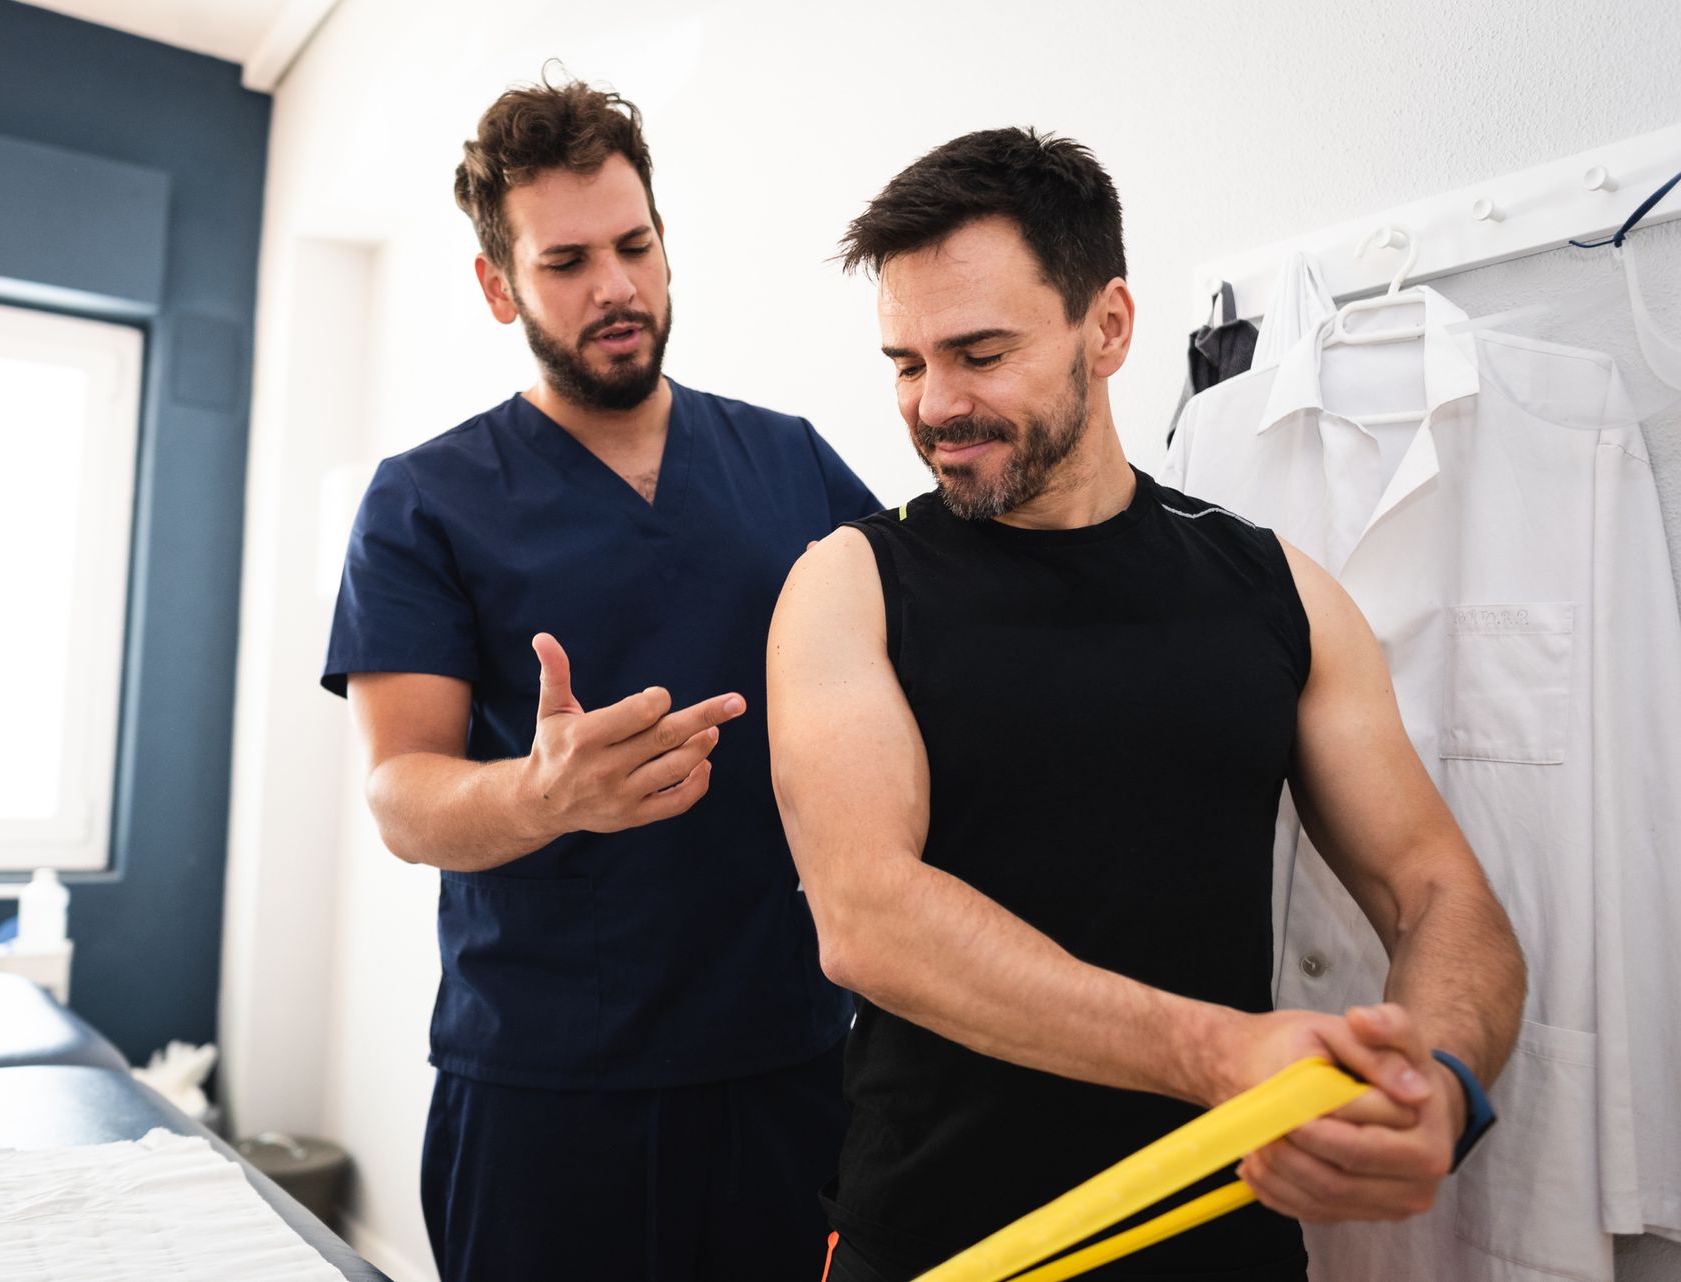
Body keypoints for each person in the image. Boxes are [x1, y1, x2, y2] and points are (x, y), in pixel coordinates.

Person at [766, 127, 1527, 1282]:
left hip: (1224, 1245)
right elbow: (869, 917)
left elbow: (1437, 888)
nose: (934, 405)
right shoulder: (850, 584)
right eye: (907, 363)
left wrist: (1437, 1079)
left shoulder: (1278, 591)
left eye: (978, 351)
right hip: (947, 1246)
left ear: (1107, 327)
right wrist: (1220, 1056)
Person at [321, 76, 878, 1282]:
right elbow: (401, 793)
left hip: (787, 1062)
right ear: (498, 284)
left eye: (635, 245)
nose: (616, 287)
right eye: (567, 260)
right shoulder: (425, 500)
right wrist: (542, 794)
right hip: (546, 1085)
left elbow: (922, 681)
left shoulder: (789, 464)